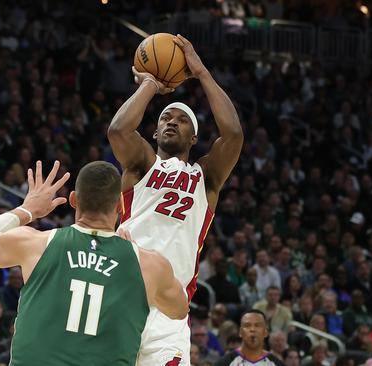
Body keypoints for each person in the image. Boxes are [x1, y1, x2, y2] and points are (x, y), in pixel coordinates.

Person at [0, 160, 188, 365]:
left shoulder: (35, 243)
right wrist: (132, 256)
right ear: (121, 204)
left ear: (72, 200)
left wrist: (27, 210)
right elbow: (179, 310)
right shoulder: (149, 265)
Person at [108, 34, 243, 365]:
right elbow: (118, 131)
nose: (171, 122)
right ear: (154, 132)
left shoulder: (205, 176)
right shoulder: (142, 163)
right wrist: (150, 85)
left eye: (181, 120)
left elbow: (234, 135)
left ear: (194, 137)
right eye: (166, 118)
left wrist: (202, 73)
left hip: (171, 308)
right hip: (123, 294)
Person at [215, 310, 284, 366]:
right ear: (240, 332)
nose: (252, 329)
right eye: (247, 325)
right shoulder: (223, 363)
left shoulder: (276, 364)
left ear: (265, 332)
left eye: (258, 325)